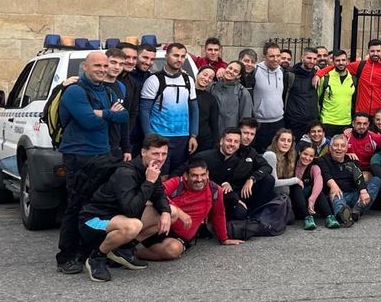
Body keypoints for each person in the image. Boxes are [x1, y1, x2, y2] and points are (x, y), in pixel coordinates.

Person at [55, 50, 128, 275]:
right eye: (97, 65)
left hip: (103, 154)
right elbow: (88, 122)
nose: (103, 69)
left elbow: (124, 117)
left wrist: (101, 113)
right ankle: (67, 256)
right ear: (85, 67)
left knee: (96, 207)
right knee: (76, 205)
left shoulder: (106, 90)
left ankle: (89, 252)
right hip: (79, 156)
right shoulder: (75, 91)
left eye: (105, 66)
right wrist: (108, 114)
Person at [77, 134, 172, 282]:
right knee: (134, 225)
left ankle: (121, 249)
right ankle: (96, 257)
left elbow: (159, 194)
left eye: (164, 154)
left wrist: (165, 212)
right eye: (155, 153)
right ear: (143, 152)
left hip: (119, 218)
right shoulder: (126, 173)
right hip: (95, 219)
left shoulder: (151, 168)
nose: (160, 158)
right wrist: (149, 182)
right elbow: (131, 210)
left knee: (172, 213)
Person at [139, 158, 242, 260]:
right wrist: (179, 212)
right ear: (186, 176)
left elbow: (218, 214)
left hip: (177, 238)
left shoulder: (215, 190)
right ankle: (128, 243)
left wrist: (224, 238)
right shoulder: (176, 183)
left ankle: (134, 254)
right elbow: (156, 194)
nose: (199, 179)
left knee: (172, 250)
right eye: (194, 175)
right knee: (151, 208)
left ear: (207, 174)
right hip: (158, 227)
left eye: (202, 175)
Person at [187, 126, 276, 220]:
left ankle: (253, 215)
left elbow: (267, 167)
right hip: (212, 194)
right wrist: (232, 193)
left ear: (239, 144)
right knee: (239, 211)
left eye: (236, 142)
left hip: (236, 192)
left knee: (268, 179)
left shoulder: (241, 157)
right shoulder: (205, 157)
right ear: (221, 141)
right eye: (229, 140)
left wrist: (252, 179)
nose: (232, 144)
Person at [139, 42, 199, 172]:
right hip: (160, 137)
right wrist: (149, 138)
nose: (179, 59)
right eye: (175, 55)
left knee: (179, 177)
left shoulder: (188, 80)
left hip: (183, 138)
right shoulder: (154, 80)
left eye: (183, 56)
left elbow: (194, 108)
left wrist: (193, 135)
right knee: (160, 175)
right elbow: (144, 111)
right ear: (166, 56)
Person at [317, 134, 370, 226]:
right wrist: (333, 185)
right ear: (330, 148)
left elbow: (358, 176)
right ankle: (343, 216)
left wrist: (363, 191)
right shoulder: (323, 160)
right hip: (335, 195)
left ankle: (356, 210)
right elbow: (326, 174)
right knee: (336, 194)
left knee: (376, 180)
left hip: (353, 195)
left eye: (342, 146)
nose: (339, 148)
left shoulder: (352, 161)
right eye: (336, 145)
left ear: (346, 149)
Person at [252, 42, 293, 151]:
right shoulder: (255, 70)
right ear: (264, 56)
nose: (276, 59)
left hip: (279, 122)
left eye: (278, 56)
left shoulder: (282, 71)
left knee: (278, 154)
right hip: (260, 123)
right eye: (271, 56)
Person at [315, 50, 356, 137]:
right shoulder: (325, 78)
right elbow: (317, 99)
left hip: (346, 122)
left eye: (343, 60)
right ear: (333, 62)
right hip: (327, 121)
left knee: (343, 149)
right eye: (337, 60)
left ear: (347, 61)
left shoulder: (353, 78)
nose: (341, 63)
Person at [208, 60, 253, 139]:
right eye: (230, 68)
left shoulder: (242, 92)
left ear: (239, 76)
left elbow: (245, 119)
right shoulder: (213, 87)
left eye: (235, 71)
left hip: (230, 136)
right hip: (211, 133)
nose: (231, 72)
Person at [263, 128, 301, 219]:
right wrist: (296, 180)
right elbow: (274, 182)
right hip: (265, 193)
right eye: (283, 140)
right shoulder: (270, 155)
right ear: (276, 141)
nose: (286, 143)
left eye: (289, 141)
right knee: (285, 188)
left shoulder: (290, 155)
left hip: (279, 194)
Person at [294, 144, 335, 229]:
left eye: (311, 156)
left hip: (310, 203)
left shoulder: (314, 167)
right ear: (299, 153)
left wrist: (311, 200)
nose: (307, 158)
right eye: (305, 154)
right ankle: (307, 218)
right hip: (295, 202)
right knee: (296, 187)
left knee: (318, 191)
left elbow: (318, 183)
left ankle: (330, 217)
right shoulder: (292, 164)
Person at [285, 48, 321, 132]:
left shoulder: (316, 74)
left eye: (315, 59)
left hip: (312, 122)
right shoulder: (290, 74)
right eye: (309, 58)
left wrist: (319, 74)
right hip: (294, 122)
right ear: (302, 57)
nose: (312, 61)